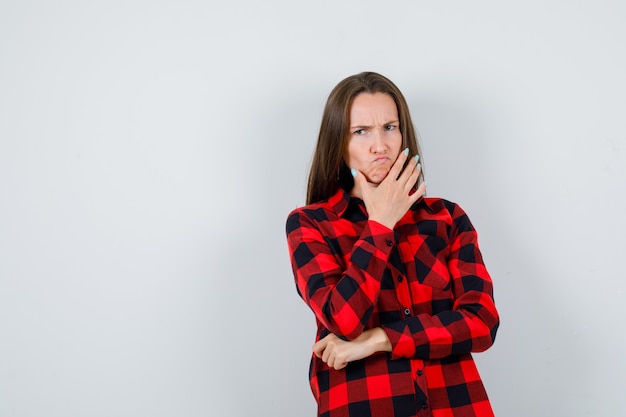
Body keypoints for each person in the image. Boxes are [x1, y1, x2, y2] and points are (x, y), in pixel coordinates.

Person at [286, 71, 499, 417]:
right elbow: (344, 320)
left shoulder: (446, 218)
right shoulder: (310, 224)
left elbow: (481, 323)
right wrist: (381, 223)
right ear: (338, 143)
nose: (380, 146)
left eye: (389, 127)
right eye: (361, 131)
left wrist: (378, 340)